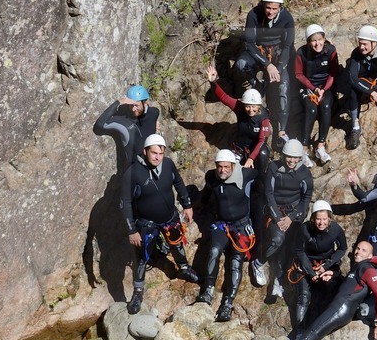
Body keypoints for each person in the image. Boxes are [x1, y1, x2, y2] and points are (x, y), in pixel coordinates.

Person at [120, 134, 199, 313]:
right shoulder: (133, 173)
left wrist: (187, 205)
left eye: (161, 153)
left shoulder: (168, 164)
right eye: (154, 153)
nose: (157, 157)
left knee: (177, 243)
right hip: (146, 222)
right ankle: (138, 291)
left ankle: (184, 268)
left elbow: (178, 183)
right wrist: (131, 230)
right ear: (145, 151)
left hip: (169, 217)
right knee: (142, 256)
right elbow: (124, 203)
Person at [194, 149, 256, 322]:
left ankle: (227, 304)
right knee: (214, 251)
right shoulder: (211, 177)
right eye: (219, 167)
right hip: (221, 224)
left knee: (236, 262)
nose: (222, 170)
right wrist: (198, 204)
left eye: (226, 167)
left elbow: (265, 179)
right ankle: (208, 291)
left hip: (242, 225)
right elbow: (207, 190)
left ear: (233, 166)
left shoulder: (247, 175)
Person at [252, 138, 312, 303]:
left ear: (300, 158)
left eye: (295, 158)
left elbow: (306, 198)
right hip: (275, 211)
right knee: (278, 240)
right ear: (283, 155)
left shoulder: (305, 173)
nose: (291, 161)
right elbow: (268, 193)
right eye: (288, 157)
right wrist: (278, 219)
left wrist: (291, 218)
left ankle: (278, 280)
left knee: (291, 247)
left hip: (293, 214)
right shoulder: (274, 167)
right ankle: (259, 262)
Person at [234, 0, 295, 142]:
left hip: (278, 54)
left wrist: (279, 69)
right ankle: (257, 84)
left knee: (284, 87)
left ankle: (282, 131)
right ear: (263, 5)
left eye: (274, 8)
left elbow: (288, 47)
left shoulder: (287, 18)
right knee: (241, 64)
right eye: (268, 7)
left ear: (280, 7)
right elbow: (250, 43)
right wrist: (267, 65)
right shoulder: (254, 15)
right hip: (258, 52)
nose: (271, 12)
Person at [288, 199, 348, 331]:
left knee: (330, 290)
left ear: (329, 218)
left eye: (324, 219)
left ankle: (323, 327)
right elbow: (299, 250)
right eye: (318, 219)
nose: (321, 223)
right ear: (313, 219)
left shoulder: (336, 229)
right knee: (303, 297)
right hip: (307, 265)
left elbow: (342, 248)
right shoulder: (304, 229)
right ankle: (299, 331)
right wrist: (310, 272)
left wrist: (327, 266)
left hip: (327, 264)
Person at [206, 67, 272, 167]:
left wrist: (251, 159)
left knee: (263, 154)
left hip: (256, 150)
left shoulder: (264, 118)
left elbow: (262, 141)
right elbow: (224, 97)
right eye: (248, 106)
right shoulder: (239, 107)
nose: (250, 109)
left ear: (258, 106)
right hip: (239, 149)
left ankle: (260, 180)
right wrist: (213, 82)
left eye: (253, 106)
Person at [292, 23, 339, 164]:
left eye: (320, 39)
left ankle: (320, 146)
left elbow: (333, 73)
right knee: (311, 109)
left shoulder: (331, 51)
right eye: (313, 40)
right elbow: (299, 74)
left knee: (325, 107)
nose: (317, 43)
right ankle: (304, 149)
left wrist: (323, 89)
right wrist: (313, 88)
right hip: (307, 86)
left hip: (326, 86)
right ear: (308, 42)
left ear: (324, 39)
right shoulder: (301, 52)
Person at [92, 84, 159, 173]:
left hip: (153, 164)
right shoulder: (123, 119)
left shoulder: (154, 113)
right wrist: (119, 102)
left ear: (146, 102)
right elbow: (100, 124)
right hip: (133, 170)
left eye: (136, 105)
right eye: (131, 105)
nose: (133, 109)